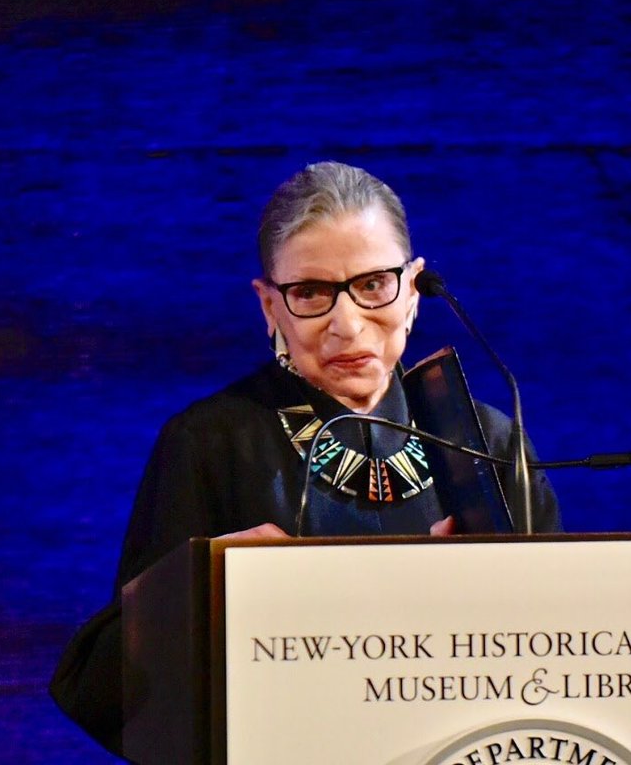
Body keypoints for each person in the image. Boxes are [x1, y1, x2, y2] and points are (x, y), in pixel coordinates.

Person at [49, 161, 562, 756]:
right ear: (270, 307)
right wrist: (206, 594)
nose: (346, 325)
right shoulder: (209, 443)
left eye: (373, 285)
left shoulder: (490, 441)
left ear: (415, 289)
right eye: (311, 293)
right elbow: (106, 690)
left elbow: (555, 654)